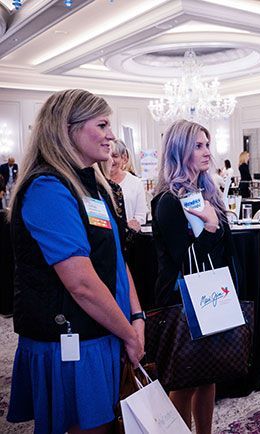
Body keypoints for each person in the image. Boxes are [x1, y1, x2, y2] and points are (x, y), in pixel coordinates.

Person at [6, 89, 145, 433]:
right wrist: (129, 333)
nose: (112, 135)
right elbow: (81, 284)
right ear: (66, 130)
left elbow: (115, 258)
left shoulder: (94, 188)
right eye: (102, 124)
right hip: (71, 339)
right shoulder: (48, 188)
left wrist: (138, 315)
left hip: (103, 330)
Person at [152, 120, 237, 434]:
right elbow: (185, 260)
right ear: (180, 150)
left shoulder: (207, 192)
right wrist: (212, 228)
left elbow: (224, 247)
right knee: (186, 380)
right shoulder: (167, 202)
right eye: (198, 146)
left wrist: (218, 226)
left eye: (207, 145)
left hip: (213, 294)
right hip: (182, 301)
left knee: (208, 375)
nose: (206, 153)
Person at [109, 139, 147, 230]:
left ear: (124, 158)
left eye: (115, 156)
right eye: (107, 155)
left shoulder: (135, 183)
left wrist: (130, 225)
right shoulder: (97, 181)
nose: (110, 160)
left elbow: (141, 216)